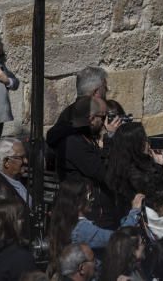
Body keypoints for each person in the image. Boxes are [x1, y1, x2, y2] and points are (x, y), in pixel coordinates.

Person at [47, 95, 120, 228]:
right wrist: (110, 138)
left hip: (94, 211)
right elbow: (103, 173)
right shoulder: (74, 142)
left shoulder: (83, 137)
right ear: (91, 119)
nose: (105, 123)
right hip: (86, 216)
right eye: (103, 117)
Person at [0, 137, 31, 214]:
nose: (26, 161)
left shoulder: (14, 180)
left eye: (25, 156)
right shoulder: (2, 194)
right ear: (6, 162)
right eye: (21, 157)